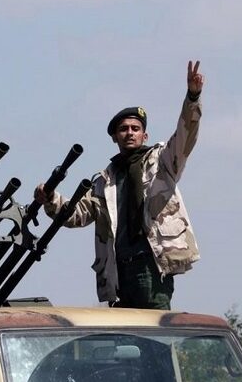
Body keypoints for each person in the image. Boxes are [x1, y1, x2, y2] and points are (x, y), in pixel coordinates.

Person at [34, 61, 204, 310]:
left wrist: (192, 97)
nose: (130, 133)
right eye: (123, 129)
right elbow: (76, 215)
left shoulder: (161, 162)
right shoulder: (106, 180)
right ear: (115, 137)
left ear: (145, 135)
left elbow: (185, 135)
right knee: (125, 330)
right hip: (119, 269)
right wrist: (50, 198)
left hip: (151, 264)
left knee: (155, 326)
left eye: (136, 128)